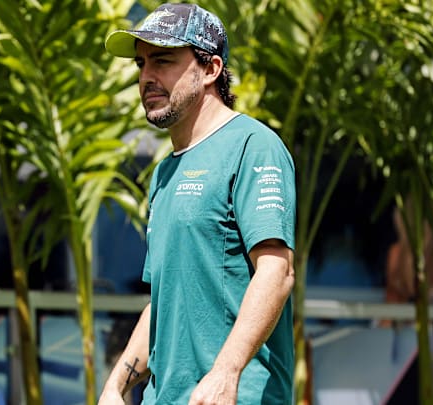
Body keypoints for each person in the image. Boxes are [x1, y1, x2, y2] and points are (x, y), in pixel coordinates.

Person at [99, 4, 296, 404]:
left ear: (211, 69)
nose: (146, 77)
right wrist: (116, 384)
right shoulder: (163, 174)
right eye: (141, 64)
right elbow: (164, 302)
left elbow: (277, 272)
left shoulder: (253, 147)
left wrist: (226, 372)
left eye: (163, 60)